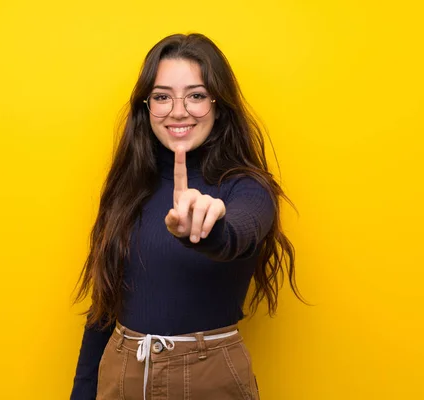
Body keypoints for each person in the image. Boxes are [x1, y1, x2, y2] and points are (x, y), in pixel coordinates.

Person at [70, 33, 306, 400]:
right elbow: (104, 307)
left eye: (195, 95)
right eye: (162, 97)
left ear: (218, 104)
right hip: (119, 374)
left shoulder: (248, 188)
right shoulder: (126, 188)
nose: (178, 110)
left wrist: (208, 229)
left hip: (208, 377)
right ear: (146, 107)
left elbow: (240, 231)